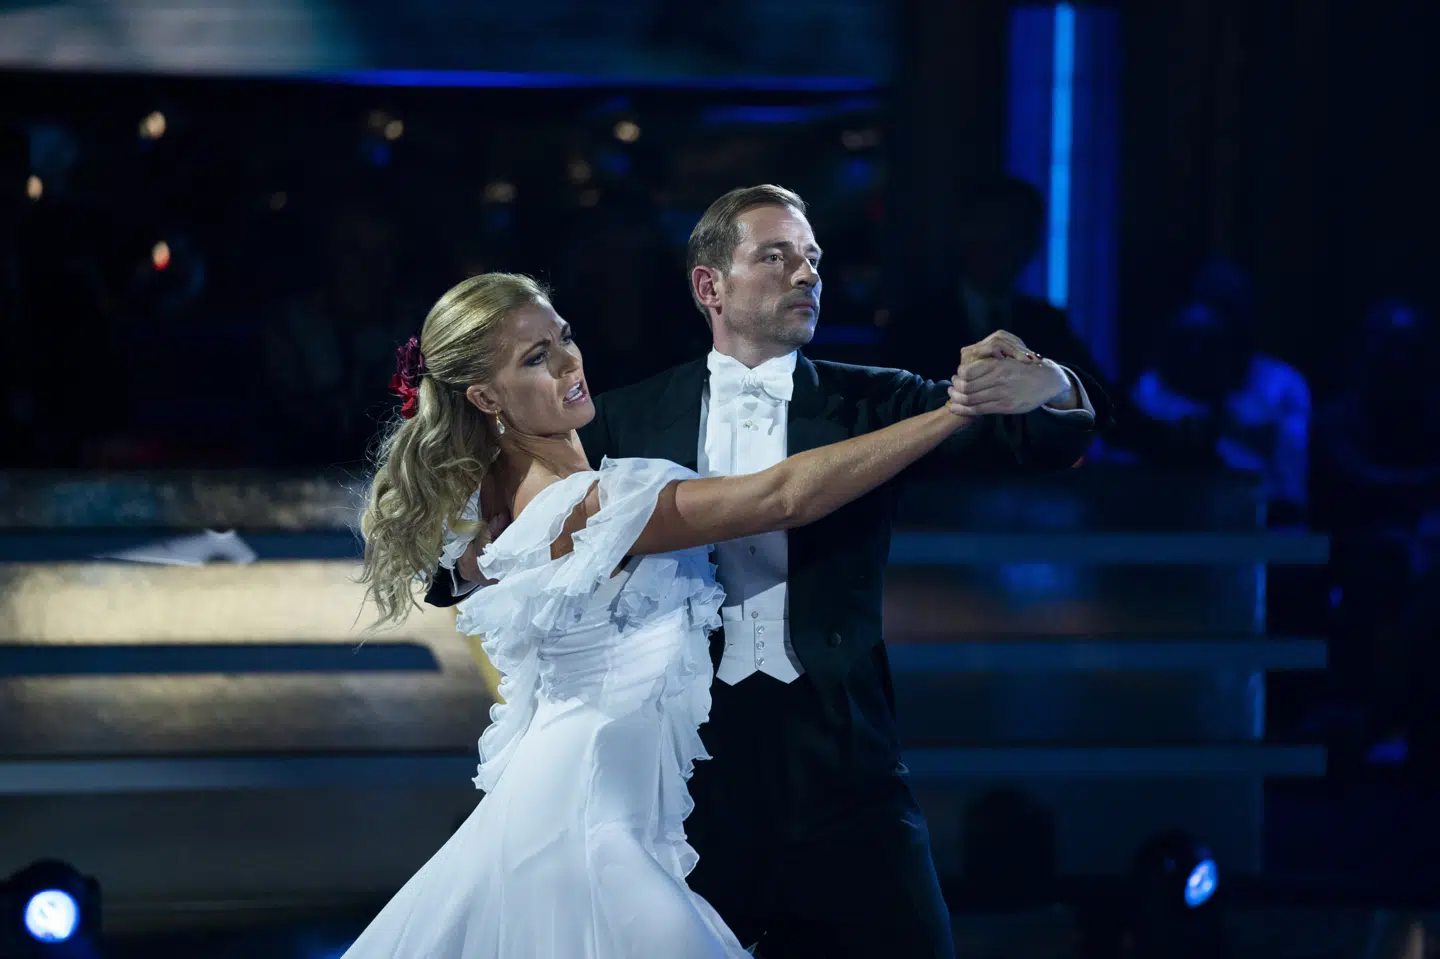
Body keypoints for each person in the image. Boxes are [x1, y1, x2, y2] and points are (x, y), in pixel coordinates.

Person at [430, 185, 1107, 957]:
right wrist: (470, 538)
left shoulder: (878, 400)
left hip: (844, 764)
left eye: (812, 257)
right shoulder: (620, 419)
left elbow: (1042, 443)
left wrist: (1054, 382)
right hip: (686, 783)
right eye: (776, 256)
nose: (806, 273)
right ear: (709, 286)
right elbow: (482, 546)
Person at [345, 272, 1019, 957]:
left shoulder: (491, 497)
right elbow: (783, 498)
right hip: (589, 815)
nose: (570, 362)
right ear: (485, 396)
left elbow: (455, 572)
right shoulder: (598, 504)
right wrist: (953, 412)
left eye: (564, 337)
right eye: (536, 358)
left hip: (571, 797)